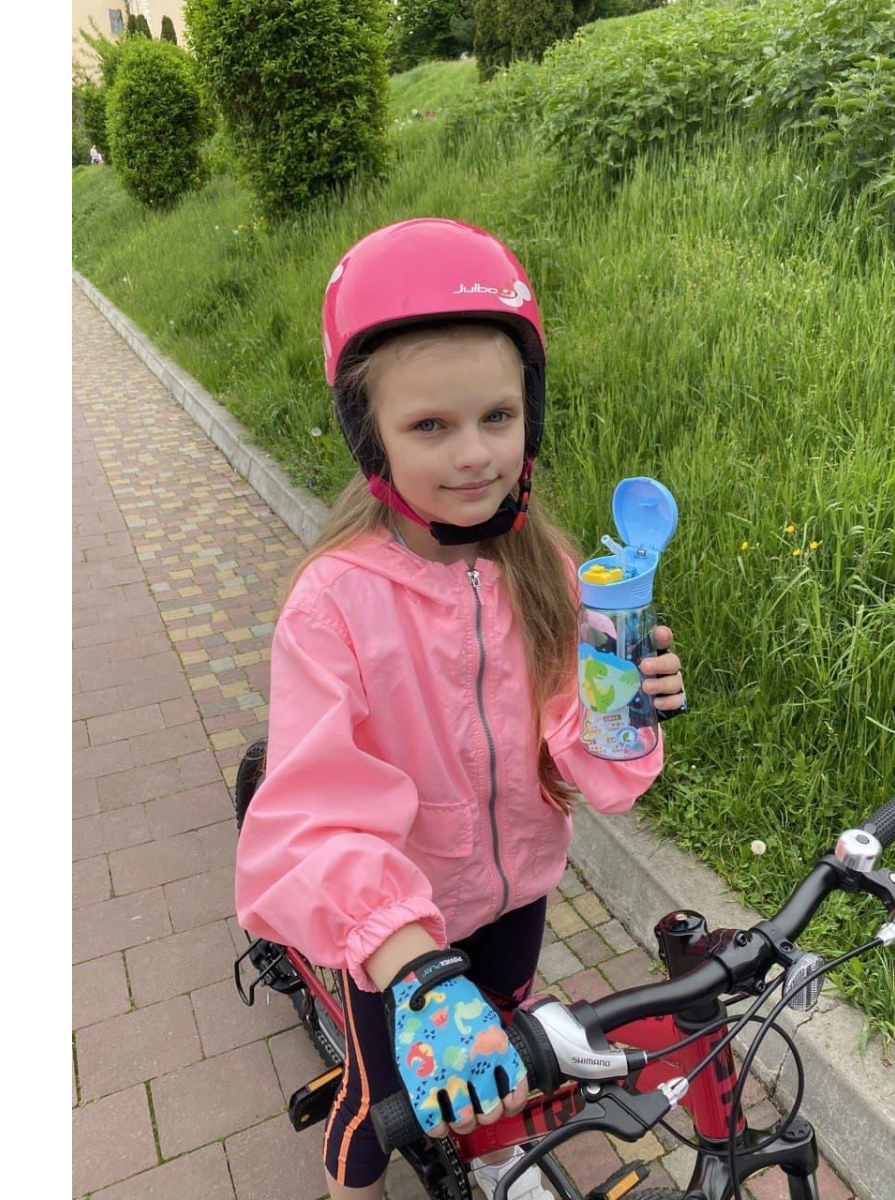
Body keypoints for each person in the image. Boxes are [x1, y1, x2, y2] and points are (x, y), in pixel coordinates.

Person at [235, 218, 688, 1200]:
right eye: (430, 427)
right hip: (397, 932)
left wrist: (623, 713)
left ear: (533, 414)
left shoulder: (552, 569)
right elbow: (313, 819)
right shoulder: (333, 604)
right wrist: (416, 968)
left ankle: (498, 1150)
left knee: (507, 1057)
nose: (476, 454)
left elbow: (567, 750)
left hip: (515, 896)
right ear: (371, 437)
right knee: (379, 1106)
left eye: (498, 415)